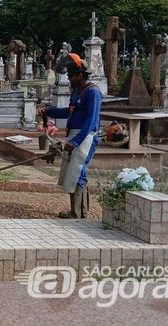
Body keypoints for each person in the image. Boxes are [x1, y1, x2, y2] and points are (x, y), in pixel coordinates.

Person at [40, 53, 102, 218]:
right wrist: (49, 111)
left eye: (71, 76)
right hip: (74, 135)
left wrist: (75, 142)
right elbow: (69, 112)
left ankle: (78, 213)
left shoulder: (93, 93)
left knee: (78, 171)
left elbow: (91, 121)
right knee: (74, 173)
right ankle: (79, 211)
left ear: (80, 75)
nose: (68, 79)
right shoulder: (77, 92)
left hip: (86, 136)